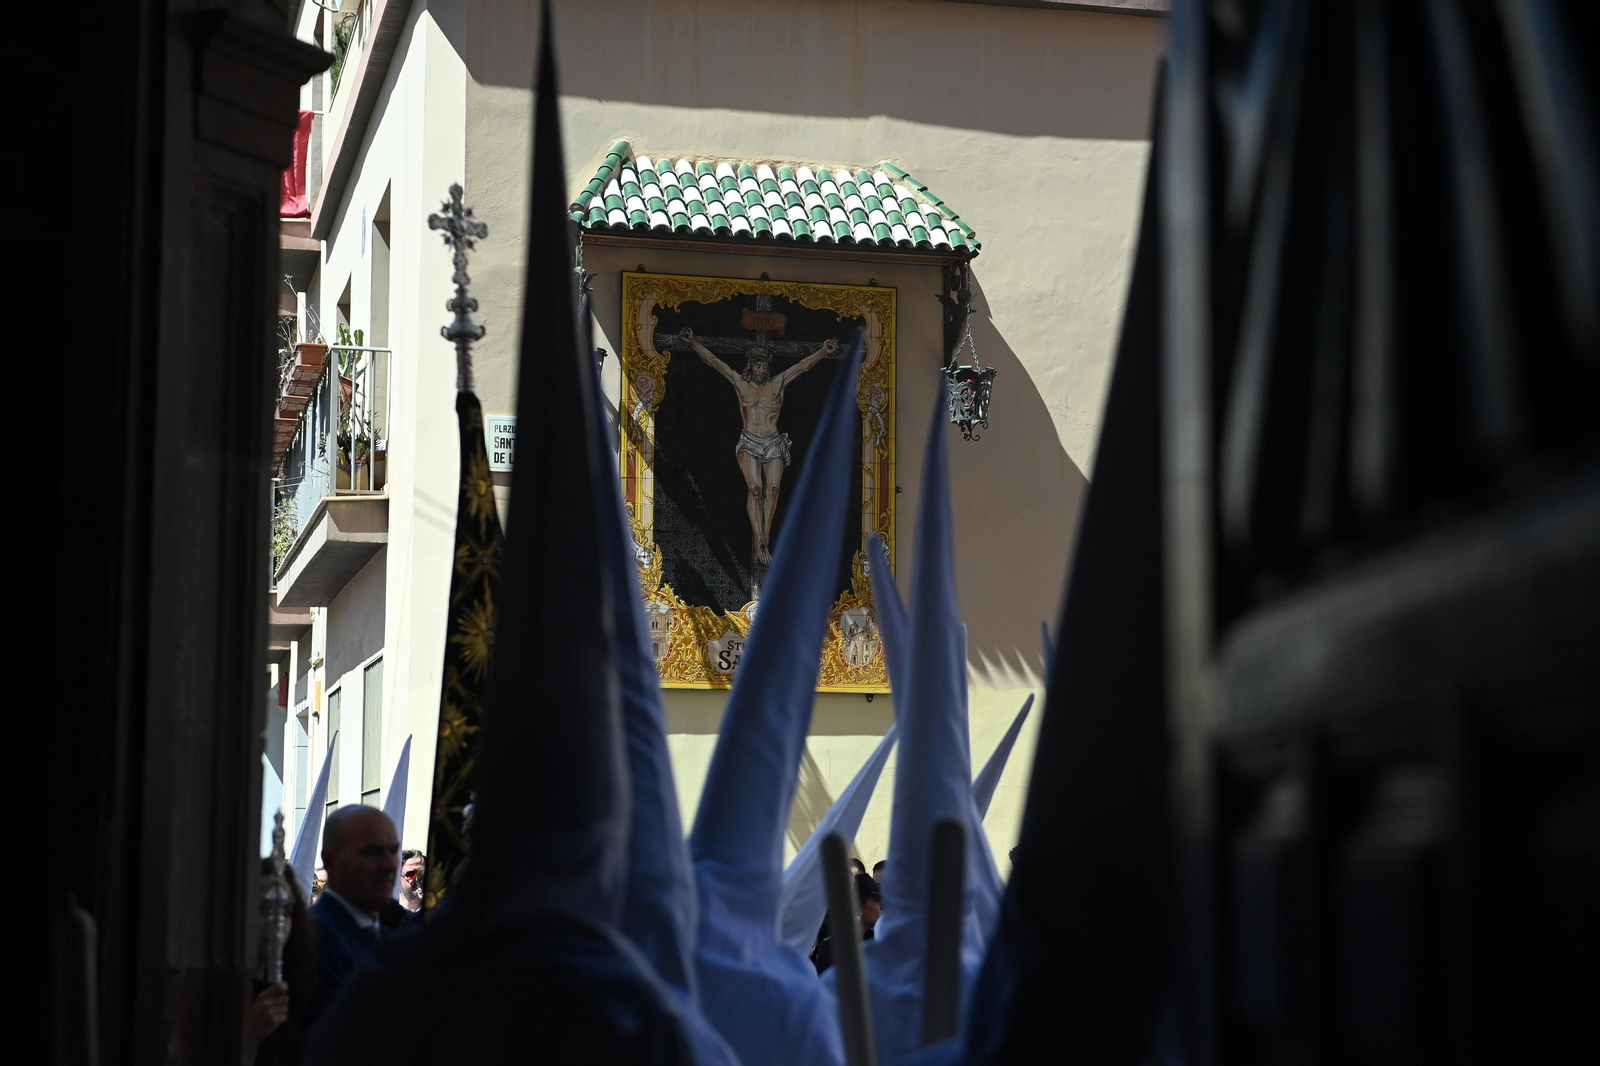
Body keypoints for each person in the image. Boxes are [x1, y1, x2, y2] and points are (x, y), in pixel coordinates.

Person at [679, 325, 838, 565]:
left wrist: (823, 351)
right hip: (750, 441)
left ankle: (763, 539)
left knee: (772, 490)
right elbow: (713, 361)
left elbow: (803, 366)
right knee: (755, 489)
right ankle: (760, 541)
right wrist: (692, 342)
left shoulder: (778, 383)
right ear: (750, 365)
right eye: (757, 365)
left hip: (773, 442)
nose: (761, 369)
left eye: (764, 365)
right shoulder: (740, 383)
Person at [306, 805, 399, 1023]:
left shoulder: (391, 937)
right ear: (330, 861)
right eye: (371, 852)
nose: (389, 865)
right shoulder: (313, 938)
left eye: (394, 850)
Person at [245, 858, 318, 1065]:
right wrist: (252, 1035)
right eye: (264, 908)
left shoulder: (298, 988)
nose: (275, 921)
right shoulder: (224, 994)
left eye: (284, 911)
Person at [811, 873, 883, 976]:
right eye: (876, 901)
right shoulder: (833, 946)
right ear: (858, 906)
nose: (881, 907)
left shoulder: (875, 940)